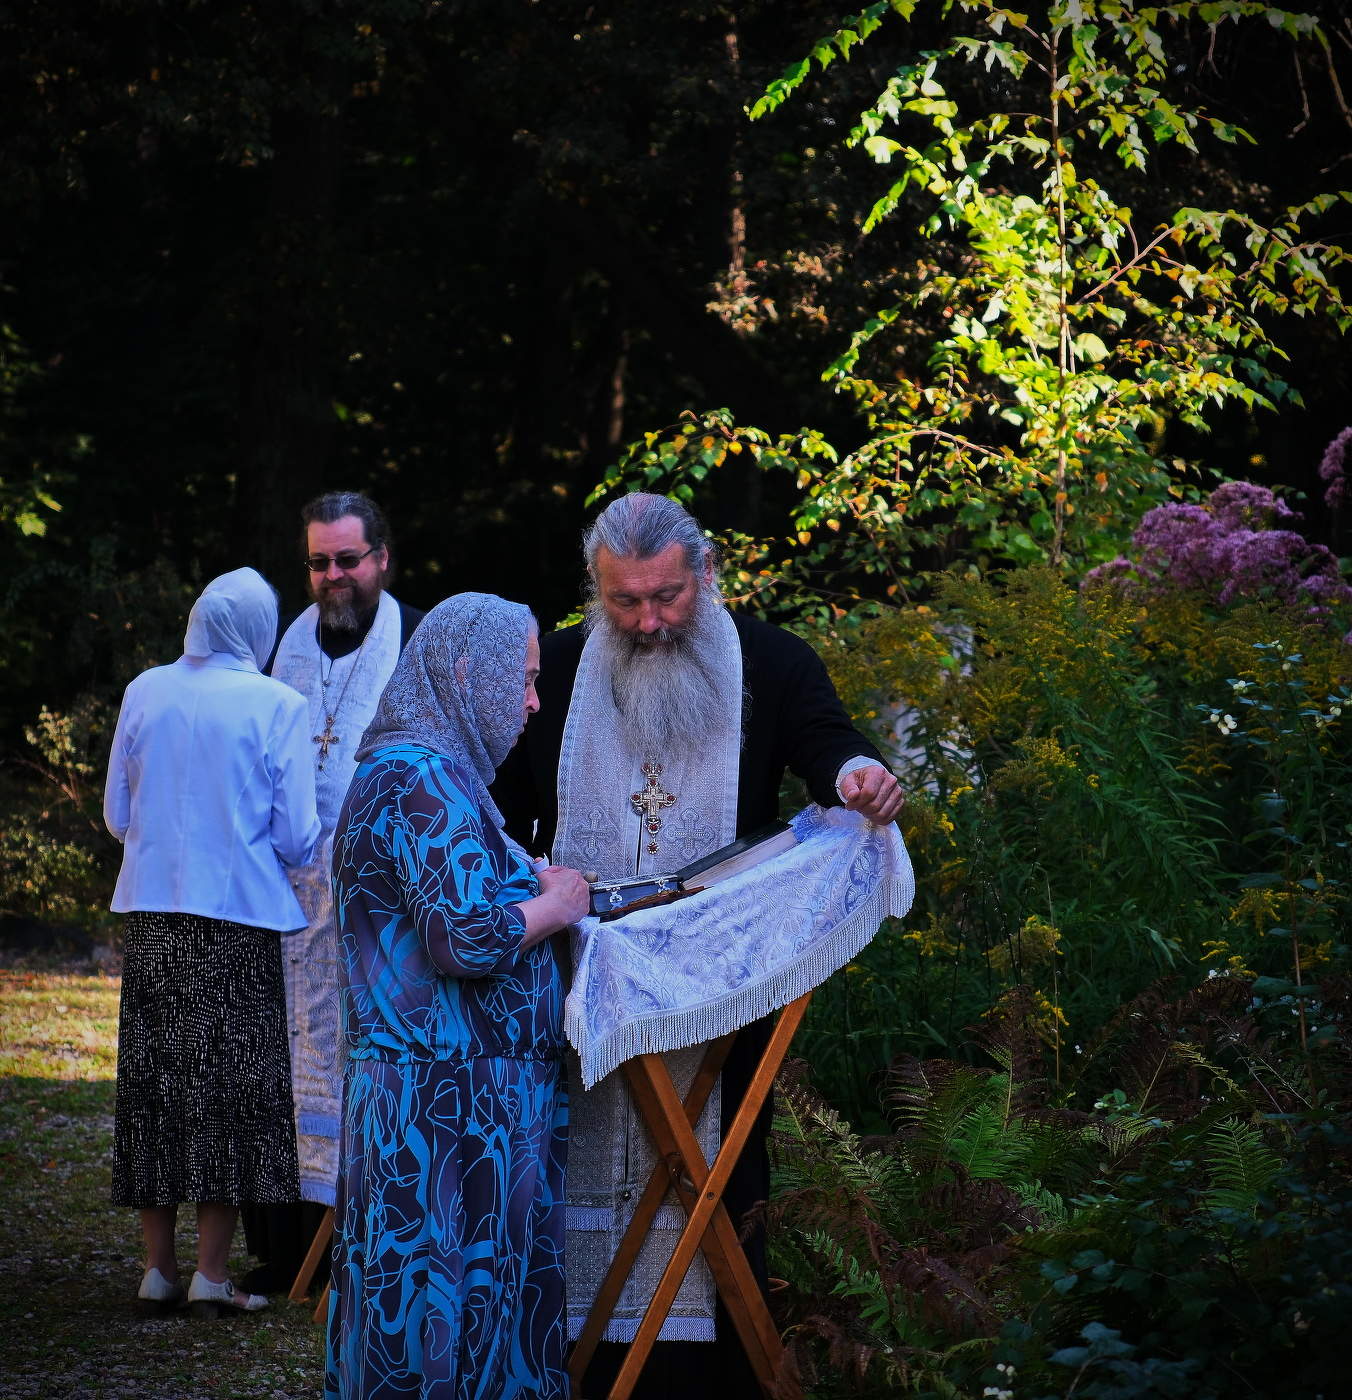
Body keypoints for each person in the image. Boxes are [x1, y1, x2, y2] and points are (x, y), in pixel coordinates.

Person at [492, 492, 903, 1397]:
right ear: (597, 591)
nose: (646, 622)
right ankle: (578, 1367)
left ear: (705, 574)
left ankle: (713, 1378)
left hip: (721, 973)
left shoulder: (771, 661)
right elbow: (505, 806)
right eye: (624, 602)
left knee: (720, 1166)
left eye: (665, 597)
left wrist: (856, 773)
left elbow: (826, 743)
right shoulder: (557, 669)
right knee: (575, 1164)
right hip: (585, 976)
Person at [325, 592, 590, 1400]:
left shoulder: (430, 771)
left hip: (456, 1097)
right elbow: (463, 938)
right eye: (526, 681)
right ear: (469, 673)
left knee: (452, 1312)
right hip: (444, 1112)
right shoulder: (421, 779)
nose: (535, 704)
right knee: (440, 1314)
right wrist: (559, 904)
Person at [104, 567, 321, 1317]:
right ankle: (215, 1272)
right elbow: (296, 839)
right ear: (261, 629)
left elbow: (115, 813)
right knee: (233, 1093)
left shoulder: (144, 690)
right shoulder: (278, 704)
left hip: (157, 917)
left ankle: (158, 1268)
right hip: (236, 921)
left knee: (157, 1088)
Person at [243, 491, 424, 1293]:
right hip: (284, 903)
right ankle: (286, 1248)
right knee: (282, 1063)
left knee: (365, 1060)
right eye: (319, 562)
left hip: (376, 907)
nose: (333, 577)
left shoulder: (415, 641)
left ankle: (364, 1244)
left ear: (382, 558)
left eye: (348, 560)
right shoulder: (285, 648)